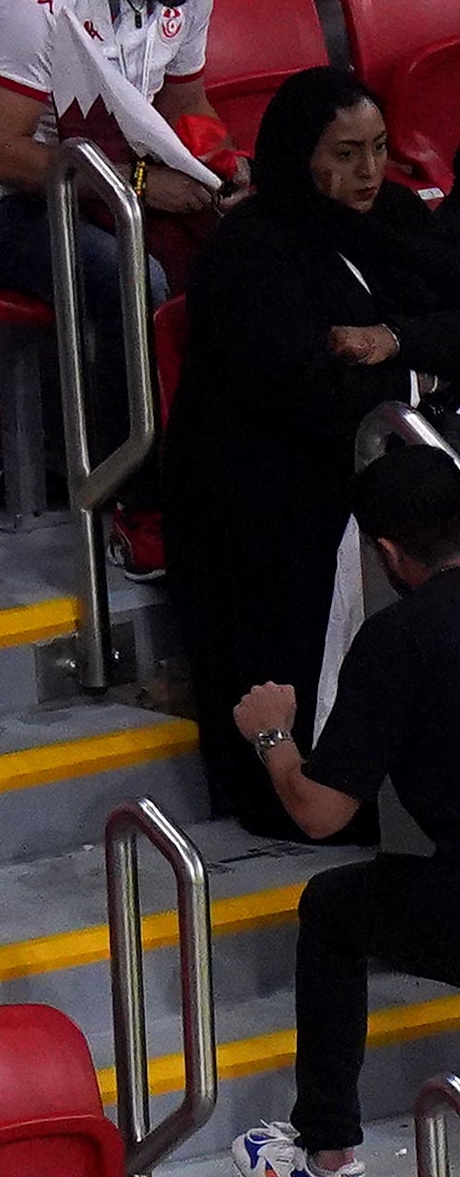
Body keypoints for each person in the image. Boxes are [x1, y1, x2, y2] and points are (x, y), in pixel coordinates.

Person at [179, 73, 460, 832]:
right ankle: (323, 783)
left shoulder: (397, 216)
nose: (369, 172)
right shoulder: (251, 254)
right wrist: (426, 368)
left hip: (392, 458)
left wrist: (400, 348)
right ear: (301, 157)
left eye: (377, 149)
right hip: (273, 486)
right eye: (345, 153)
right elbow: (302, 389)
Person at [227, 456, 460, 1177]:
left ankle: (327, 1164)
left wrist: (272, 738)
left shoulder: (402, 639)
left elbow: (322, 814)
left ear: (387, 553)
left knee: (335, 907)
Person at [0, 0, 224, 451]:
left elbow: (187, 105)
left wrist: (221, 165)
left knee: (249, 248)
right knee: (133, 277)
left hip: (112, 187)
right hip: (8, 208)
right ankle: (132, 480)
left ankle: (217, 452)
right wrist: (141, 186)